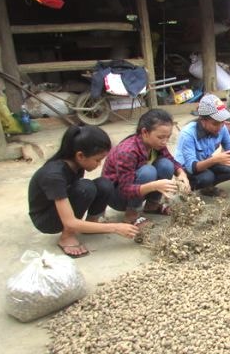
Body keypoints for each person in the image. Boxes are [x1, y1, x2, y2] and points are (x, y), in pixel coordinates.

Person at [28, 125, 139, 258]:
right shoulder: (54, 175)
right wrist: (115, 227)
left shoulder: (76, 165)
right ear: (80, 155)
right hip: (46, 219)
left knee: (105, 184)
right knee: (85, 188)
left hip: (61, 208)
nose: (99, 164)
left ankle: (92, 223)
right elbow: (70, 222)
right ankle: (67, 236)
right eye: (97, 160)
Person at [102, 109, 190, 224]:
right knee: (148, 171)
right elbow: (125, 189)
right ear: (145, 132)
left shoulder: (156, 144)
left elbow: (170, 160)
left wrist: (182, 174)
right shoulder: (128, 151)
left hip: (136, 188)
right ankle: (131, 215)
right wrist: (154, 186)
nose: (164, 141)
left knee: (166, 165)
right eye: (161, 137)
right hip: (117, 196)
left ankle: (152, 206)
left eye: (168, 137)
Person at [175, 93, 230, 197]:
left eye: (222, 122)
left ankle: (207, 188)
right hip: (187, 170)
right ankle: (185, 187)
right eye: (215, 123)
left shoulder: (222, 127)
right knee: (207, 177)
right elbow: (192, 167)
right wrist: (215, 160)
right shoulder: (188, 134)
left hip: (206, 163)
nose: (220, 126)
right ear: (202, 120)